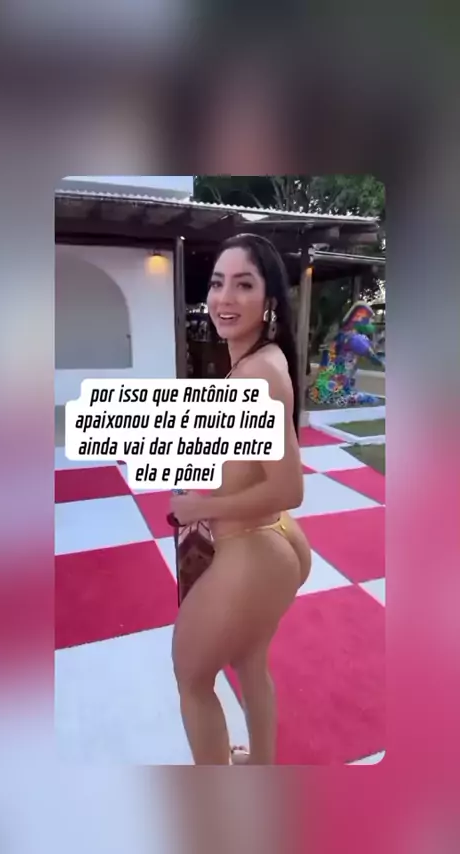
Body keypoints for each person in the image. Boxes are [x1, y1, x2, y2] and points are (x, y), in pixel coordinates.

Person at [169, 233, 311, 765]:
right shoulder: (265, 359)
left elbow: (290, 487)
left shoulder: (256, 373)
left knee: (192, 678)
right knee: (250, 662)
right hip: (273, 539)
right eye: (217, 283)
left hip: (253, 547)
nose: (224, 298)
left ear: (269, 299)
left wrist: (198, 508)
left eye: (243, 285)